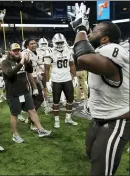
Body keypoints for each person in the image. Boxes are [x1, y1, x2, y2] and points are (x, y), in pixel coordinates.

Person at [70, 3, 129, 175]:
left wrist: (80, 28)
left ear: (105, 39)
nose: (89, 33)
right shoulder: (101, 50)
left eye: (94, 31)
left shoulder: (112, 48)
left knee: (100, 172)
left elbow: (84, 59)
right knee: (91, 153)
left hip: (116, 120)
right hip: (99, 117)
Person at [1, 43, 52, 143]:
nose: (17, 52)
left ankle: (40, 129)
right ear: (10, 52)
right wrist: (21, 63)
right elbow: (10, 74)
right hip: (13, 94)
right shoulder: (5, 62)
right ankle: (15, 135)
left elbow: (30, 70)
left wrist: (27, 62)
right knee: (14, 114)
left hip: (25, 91)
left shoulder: (22, 60)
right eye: (14, 50)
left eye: (18, 50)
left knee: (32, 110)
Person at [44, 33, 79, 128]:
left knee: (70, 99)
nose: (59, 45)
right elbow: (46, 68)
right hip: (56, 80)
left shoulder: (68, 50)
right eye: (57, 43)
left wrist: (75, 77)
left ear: (64, 42)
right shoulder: (49, 52)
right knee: (56, 101)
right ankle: (56, 120)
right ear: (54, 43)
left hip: (67, 78)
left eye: (61, 42)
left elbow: (72, 65)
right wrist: (47, 82)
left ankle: (68, 118)